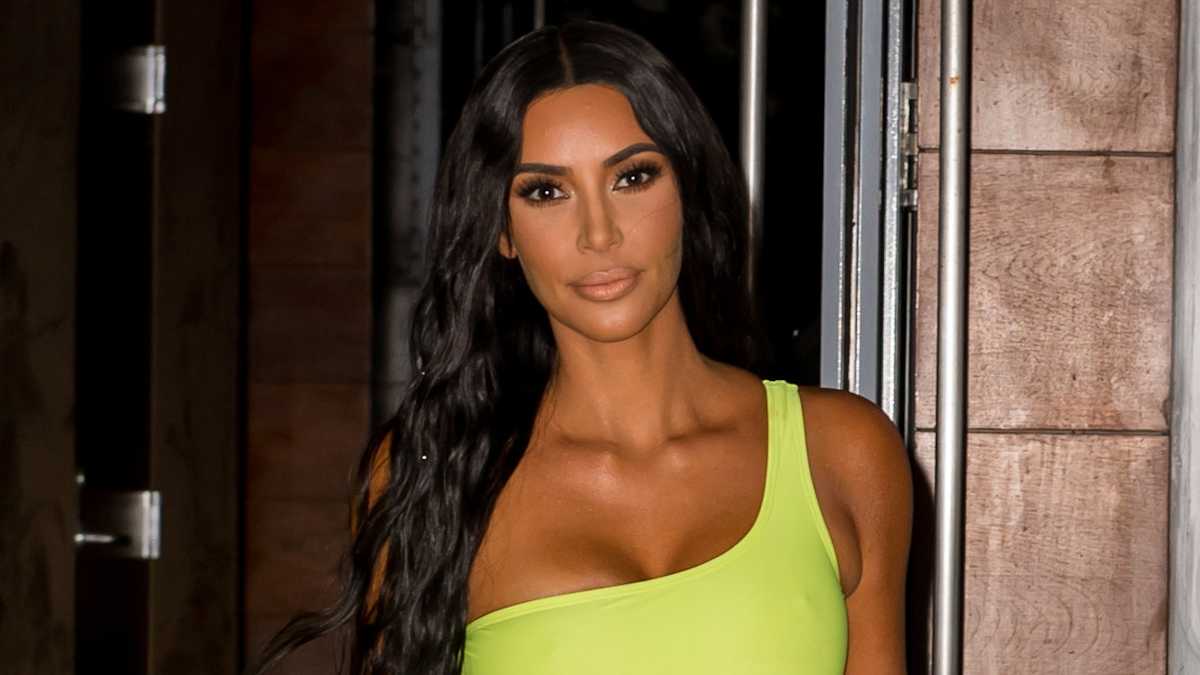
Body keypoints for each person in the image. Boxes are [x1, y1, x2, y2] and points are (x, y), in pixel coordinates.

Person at [250, 20, 912, 675]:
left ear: (687, 187)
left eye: (632, 177)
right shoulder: (436, 471)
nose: (599, 233)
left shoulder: (844, 453)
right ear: (502, 231)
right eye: (546, 191)